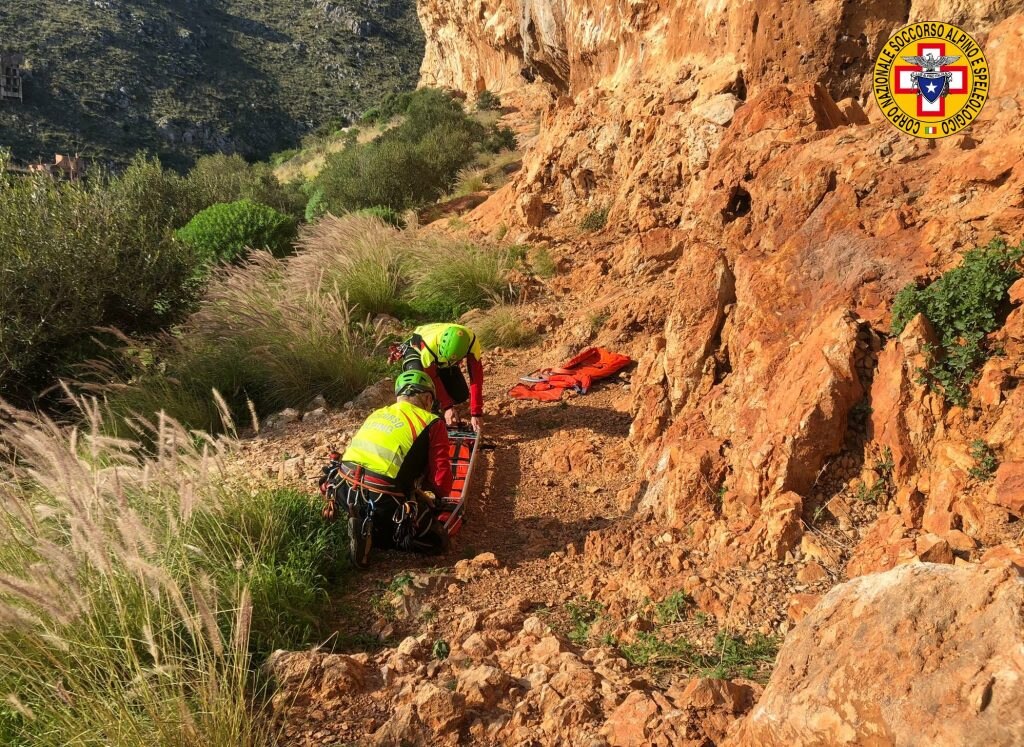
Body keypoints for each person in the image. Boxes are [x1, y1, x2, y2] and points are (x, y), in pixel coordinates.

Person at [322, 370, 453, 568]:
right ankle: (380, 535)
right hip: (383, 499)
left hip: (342, 488)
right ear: (427, 398)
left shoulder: (378, 413)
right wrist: (428, 491)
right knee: (437, 541)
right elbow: (441, 483)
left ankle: (362, 522)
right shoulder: (432, 422)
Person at [399, 322, 484, 433]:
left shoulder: (472, 343)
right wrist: (447, 406)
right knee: (418, 384)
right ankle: (428, 412)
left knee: (461, 394)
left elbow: (476, 378)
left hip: (443, 360)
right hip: (416, 351)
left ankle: (438, 405)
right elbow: (432, 377)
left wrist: (476, 413)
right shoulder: (428, 347)